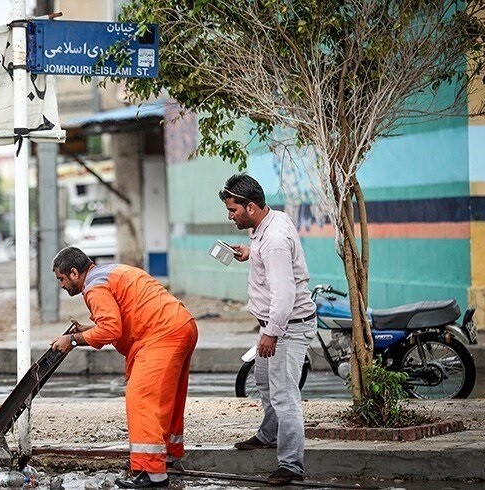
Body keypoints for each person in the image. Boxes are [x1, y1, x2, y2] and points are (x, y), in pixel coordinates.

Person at [50, 247, 198, 489]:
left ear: (75, 273)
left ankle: (153, 474)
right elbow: (122, 317)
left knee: (141, 399)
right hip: (181, 325)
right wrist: (87, 330)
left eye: (61, 279)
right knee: (167, 400)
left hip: (161, 334)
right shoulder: (110, 273)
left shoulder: (94, 288)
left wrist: (73, 340)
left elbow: (110, 329)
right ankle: (167, 457)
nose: (62, 286)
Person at [218, 174, 317, 486]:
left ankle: (291, 465)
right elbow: (272, 257)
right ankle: (268, 434)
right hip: (275, 327)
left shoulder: (272, 240)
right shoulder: (270, 222)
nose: (229, 215)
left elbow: (284, 294)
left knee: (285, 395)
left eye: (233, 210)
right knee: (263, 379)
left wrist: (272, 333)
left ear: (250, 207)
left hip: (285, 329)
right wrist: (250, 253)